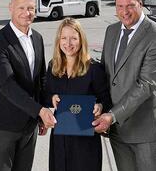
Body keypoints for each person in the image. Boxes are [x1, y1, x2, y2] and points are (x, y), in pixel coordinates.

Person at [92, 0, 156, 171]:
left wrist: (111, 116)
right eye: (120, 6)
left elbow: (146, 84)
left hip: (146, 129)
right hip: (118, 130)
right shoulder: (111, 31)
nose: (124, 12)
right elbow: (106, 73)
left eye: (130, 5)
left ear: (140, 3)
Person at [0, 0, 57, 171]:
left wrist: (43, 110)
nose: (27, 13)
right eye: (22, 8)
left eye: (31, 8)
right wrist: (39, 110)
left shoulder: (37, 38)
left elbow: (40, 79)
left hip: (28, 125)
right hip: (3, 126)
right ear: (11, 8)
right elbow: (7, 85)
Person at [44, 18, 112, 171]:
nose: (68, 43)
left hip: (85, 141)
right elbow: (45, 93)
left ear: (81, 40)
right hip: (60, 139)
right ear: (58, 40)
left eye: (73, 38)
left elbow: (107, 99)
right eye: (64, 38)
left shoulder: (93, 69)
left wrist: (100, 106)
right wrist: (51, 97)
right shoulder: (53, 67)